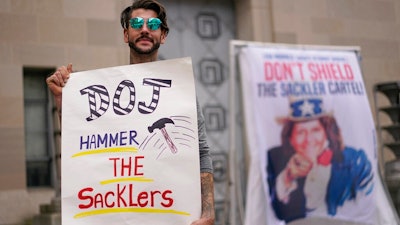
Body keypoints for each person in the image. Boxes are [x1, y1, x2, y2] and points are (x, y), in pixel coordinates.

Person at [46, 1, 215, 224]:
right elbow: (79, 144)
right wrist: (63, 102)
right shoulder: (103, 91)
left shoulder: (180, 90)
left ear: (163, 35)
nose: (145, 29)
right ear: (126, 35)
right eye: (136, 23)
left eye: (153, 24)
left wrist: (208, 211)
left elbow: (201, 152)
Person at [267, 97, 374, 223]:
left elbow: (366, 208)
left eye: (315, 130)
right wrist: (288, 177)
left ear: (326, 133)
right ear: (290, 138)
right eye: (301, 132)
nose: (309, 139)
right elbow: (277, 214)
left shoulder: (354, 160)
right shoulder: (275, 158)